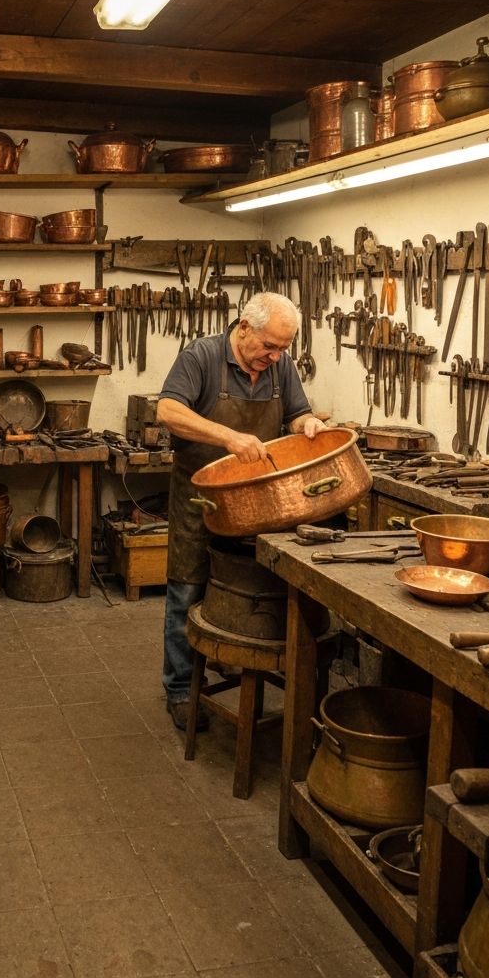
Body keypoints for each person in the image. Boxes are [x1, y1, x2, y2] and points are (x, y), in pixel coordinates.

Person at [155, 291, 326, 731]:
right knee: (187, 587)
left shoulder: (280, 365)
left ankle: (228, 652)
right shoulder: (201, 356)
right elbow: (168, 410)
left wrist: (306, 424)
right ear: (244, 327)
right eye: (269, 346)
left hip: (255, 499)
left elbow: (297, 412)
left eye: (283, 348)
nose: (276, 356)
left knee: (245, 582)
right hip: (202, 496)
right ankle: (180, 687)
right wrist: (228, 437)